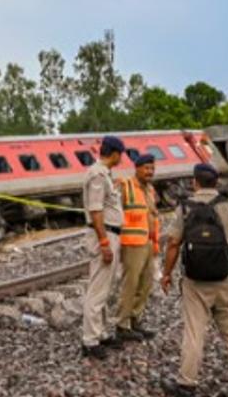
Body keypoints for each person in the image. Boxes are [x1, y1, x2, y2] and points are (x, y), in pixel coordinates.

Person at [160, 163, 228, 396]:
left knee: (194, 332)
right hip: (226, 278)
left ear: (195, 182)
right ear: (216, 183)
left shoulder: (185, 209)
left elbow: (172, 244)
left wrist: (167, 273)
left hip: (195, 282)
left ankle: (187, 383)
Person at [80, 135, 126, 358]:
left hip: (110, 232)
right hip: (105, 234)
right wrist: (104, 242)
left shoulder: (105, 174)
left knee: (105, 287)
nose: (122, 158)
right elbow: (96, 210)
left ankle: (101, 334)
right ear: (115, 153)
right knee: (98, 289)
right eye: (121, 154)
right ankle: (90, 341)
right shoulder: (98, 174)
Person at [115, 153, 160, 342]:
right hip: (132, 243)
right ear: (137, 168)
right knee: (130, 284)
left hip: (148, 243)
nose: (150, 172)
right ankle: (122, 324)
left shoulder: (150, 189)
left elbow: (152, 215)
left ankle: (135, 319)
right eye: (146, 168)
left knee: (146, 283)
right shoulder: (125, 186)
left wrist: (155, 241)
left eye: (152, 168)